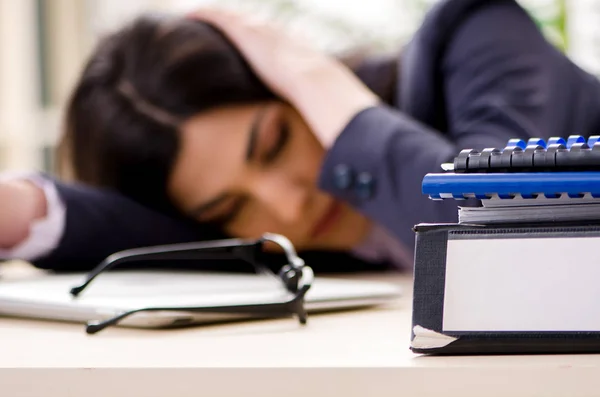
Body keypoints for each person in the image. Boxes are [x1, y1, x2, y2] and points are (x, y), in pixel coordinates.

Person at [1, 0, 600, 274]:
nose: (286, 206)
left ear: (286, 85)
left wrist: (315, 77)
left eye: (275, 142)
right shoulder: (274, 238)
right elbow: (154, 231)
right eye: (229, 206)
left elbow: (497, 242)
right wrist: (23, 210)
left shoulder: (475, 34)